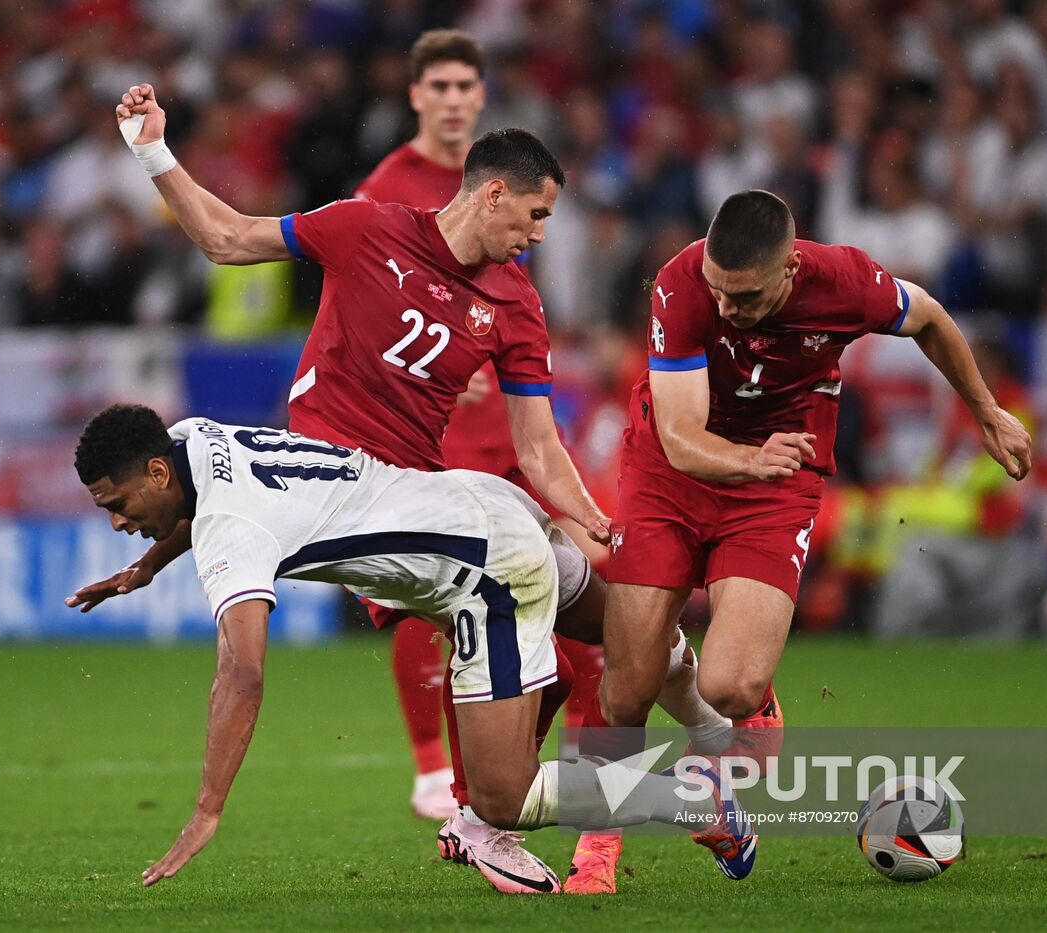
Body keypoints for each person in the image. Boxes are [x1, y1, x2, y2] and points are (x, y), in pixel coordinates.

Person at [69, 83, 727, 894]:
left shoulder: (515, 302)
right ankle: (682, 751)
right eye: (534, 215)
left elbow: (536, 440)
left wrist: (592, 517)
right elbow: (227, 238)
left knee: (572, 673)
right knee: (583, 646)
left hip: (428, 514)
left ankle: (683, 756)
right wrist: (152, 150)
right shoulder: (367, 226)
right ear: (492, 194)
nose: (539, 235)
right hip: (417, 509)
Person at [71, 405, 756, 891]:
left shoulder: (228, 527)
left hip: (484, 574)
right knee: (624, 634)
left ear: (156, 471)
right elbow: (192, 506)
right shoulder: (191, 437)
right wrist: (147, 567)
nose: (116, 519)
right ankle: (720, 729)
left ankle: (694, 802)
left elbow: (242, 674)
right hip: (484, 499)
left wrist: (207, 810)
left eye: (118, 501)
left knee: (502, 798)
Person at [587, 191, 1033, 876]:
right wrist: (746, 456)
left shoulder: (847, 282)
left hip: (774, 483)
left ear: (791, 269)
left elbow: (932, 318)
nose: (728, 309)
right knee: (625, 687)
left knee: (730, 685)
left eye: (745, 296)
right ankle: (599, 849)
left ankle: (739, 729)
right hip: (669, 473)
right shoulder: (681, 283)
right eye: (719, 291)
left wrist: (986, 410)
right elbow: (678, 436)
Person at [352, 28, 609, 863]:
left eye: (470, 84)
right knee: (448, 618)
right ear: (417, 95)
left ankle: (492, 801)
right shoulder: (390, 190)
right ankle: (451, 780)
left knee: (563, 642)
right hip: (435, 451)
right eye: (443, 86)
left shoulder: (517, 184)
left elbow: (514, 311)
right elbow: (359, 303)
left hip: (514, 445)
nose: (458, 98)